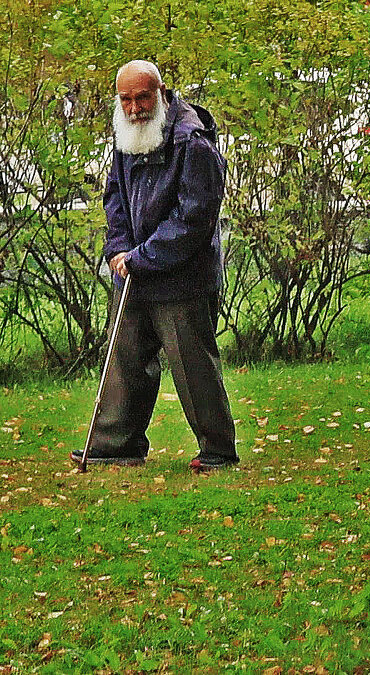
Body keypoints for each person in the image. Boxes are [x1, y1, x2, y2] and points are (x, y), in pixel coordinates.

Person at [70, 59, 238, 471]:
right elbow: (115, 198)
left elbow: (193, 218)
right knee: (124, 360)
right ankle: (116, 445)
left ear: (161, 93)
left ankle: (217, 451)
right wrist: (119, 249)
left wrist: (143, 257)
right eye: (125, 99)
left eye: (142, 97)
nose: (133, 107)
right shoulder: (126, 137)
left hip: (182, 277)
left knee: (193, 365)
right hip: (133, 271)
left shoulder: (193, 143)